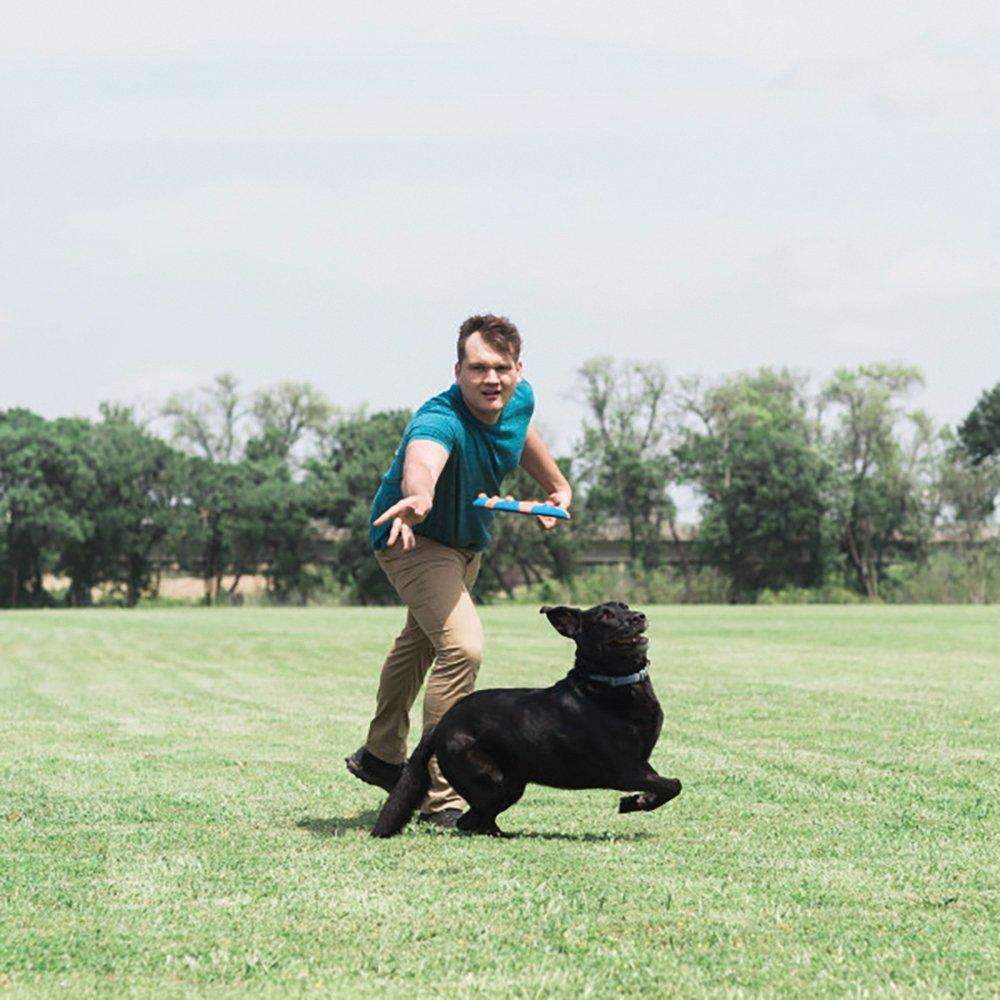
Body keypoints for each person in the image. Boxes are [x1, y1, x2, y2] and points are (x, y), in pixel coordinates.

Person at [345, 314, 572, 828]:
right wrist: (417, 496)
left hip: (466, 544)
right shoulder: (439, 418)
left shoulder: (517, 398)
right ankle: (441, 794)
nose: (490, 379)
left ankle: (380, 755)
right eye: (477, 369)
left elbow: (522, 434)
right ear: (457, 370)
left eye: (500, 368)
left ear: (518, 369)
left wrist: (555, 483)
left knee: (420, 644)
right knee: (461, 647)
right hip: (412, 538)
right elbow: (423, 461)